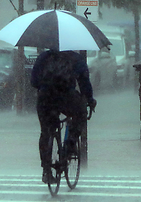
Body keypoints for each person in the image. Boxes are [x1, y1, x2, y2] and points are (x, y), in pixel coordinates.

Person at [30, 49, 97, 183]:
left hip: (45, 97)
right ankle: (70, 144)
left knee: (46, 131)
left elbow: (33, 81)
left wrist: (45, 87)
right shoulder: (75, 58)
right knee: (80, 113)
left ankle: (46, 170)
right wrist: (89, 100)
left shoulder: (44, 57)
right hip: (66, 96)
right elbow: (84, 82)